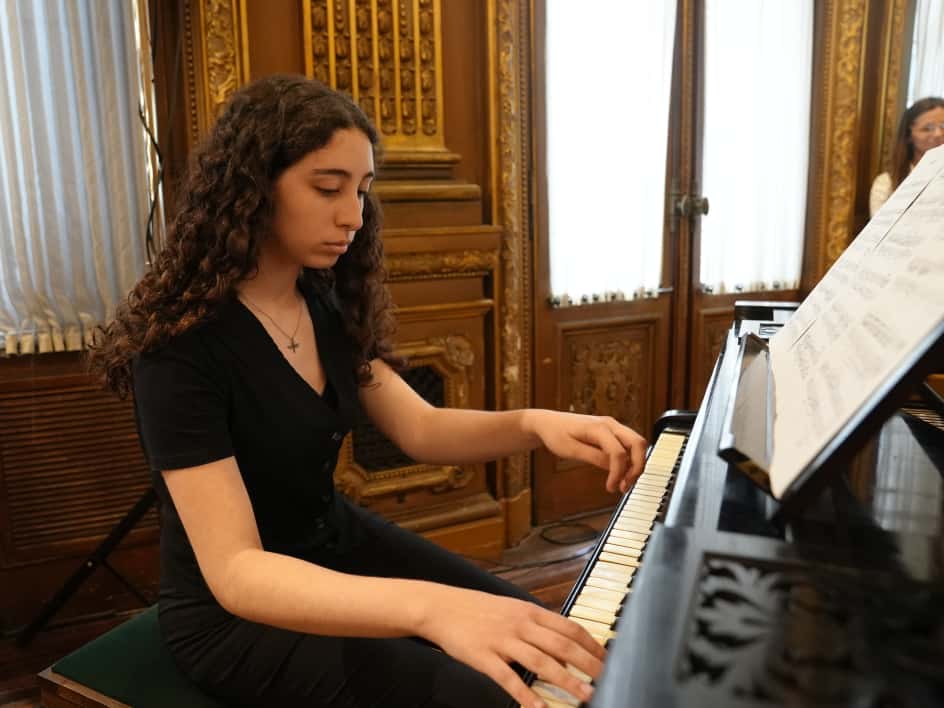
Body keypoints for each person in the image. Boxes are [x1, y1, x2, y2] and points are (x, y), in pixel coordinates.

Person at [89, 74, 647, 708]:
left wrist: (533, 423)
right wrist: (430, 610)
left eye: (361, 190)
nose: (353, 215)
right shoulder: (180, 349)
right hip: (236, 616)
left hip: (333, 542)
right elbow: (237, 571)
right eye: (328, 188)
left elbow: (420, 429)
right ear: (251, 189)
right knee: (488, 692)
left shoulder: (319, 299)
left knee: (547, 642)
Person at [869, 96, 944, 216]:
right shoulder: (886, 184)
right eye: (927, 128)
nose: (938, 134)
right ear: (909, 135)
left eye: (943, 126)